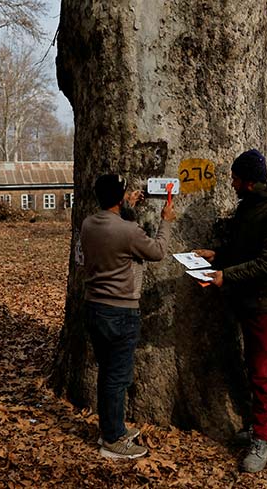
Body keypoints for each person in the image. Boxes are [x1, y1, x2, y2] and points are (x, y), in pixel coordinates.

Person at [194, 148, 267, 473]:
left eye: (236, 178)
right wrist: (217, 256)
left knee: (263, 372)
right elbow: (243, 250)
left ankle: (262, 439)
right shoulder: (249, 206)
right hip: (248, 300)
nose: (232, 184)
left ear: (249, 181)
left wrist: (227, 276)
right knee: (254, 366)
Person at [81, 174, 177, 459]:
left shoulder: (88, 224)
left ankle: (112, 428)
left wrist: (126, 206)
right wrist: (166, 220)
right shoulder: (129, 231)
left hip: (94, 307)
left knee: (107, 373)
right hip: (121, 311)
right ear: (120, 198)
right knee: (118, 377)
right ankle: (112, 439)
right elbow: (157, 251)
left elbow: (117, 232)